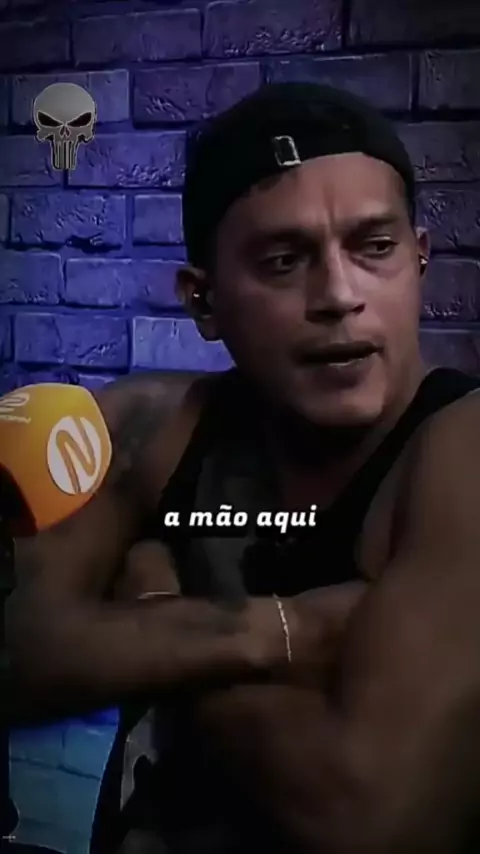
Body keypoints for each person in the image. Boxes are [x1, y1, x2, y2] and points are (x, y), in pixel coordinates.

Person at [4, 82, 480, 852]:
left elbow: (365, 815)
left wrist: (152, 602)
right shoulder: (150, 425)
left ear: (420, 260)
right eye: (284, 261)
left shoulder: (461, 446)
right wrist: (286, 629)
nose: (340, 295)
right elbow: (14, 652)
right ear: (204, 301)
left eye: (375, 248)